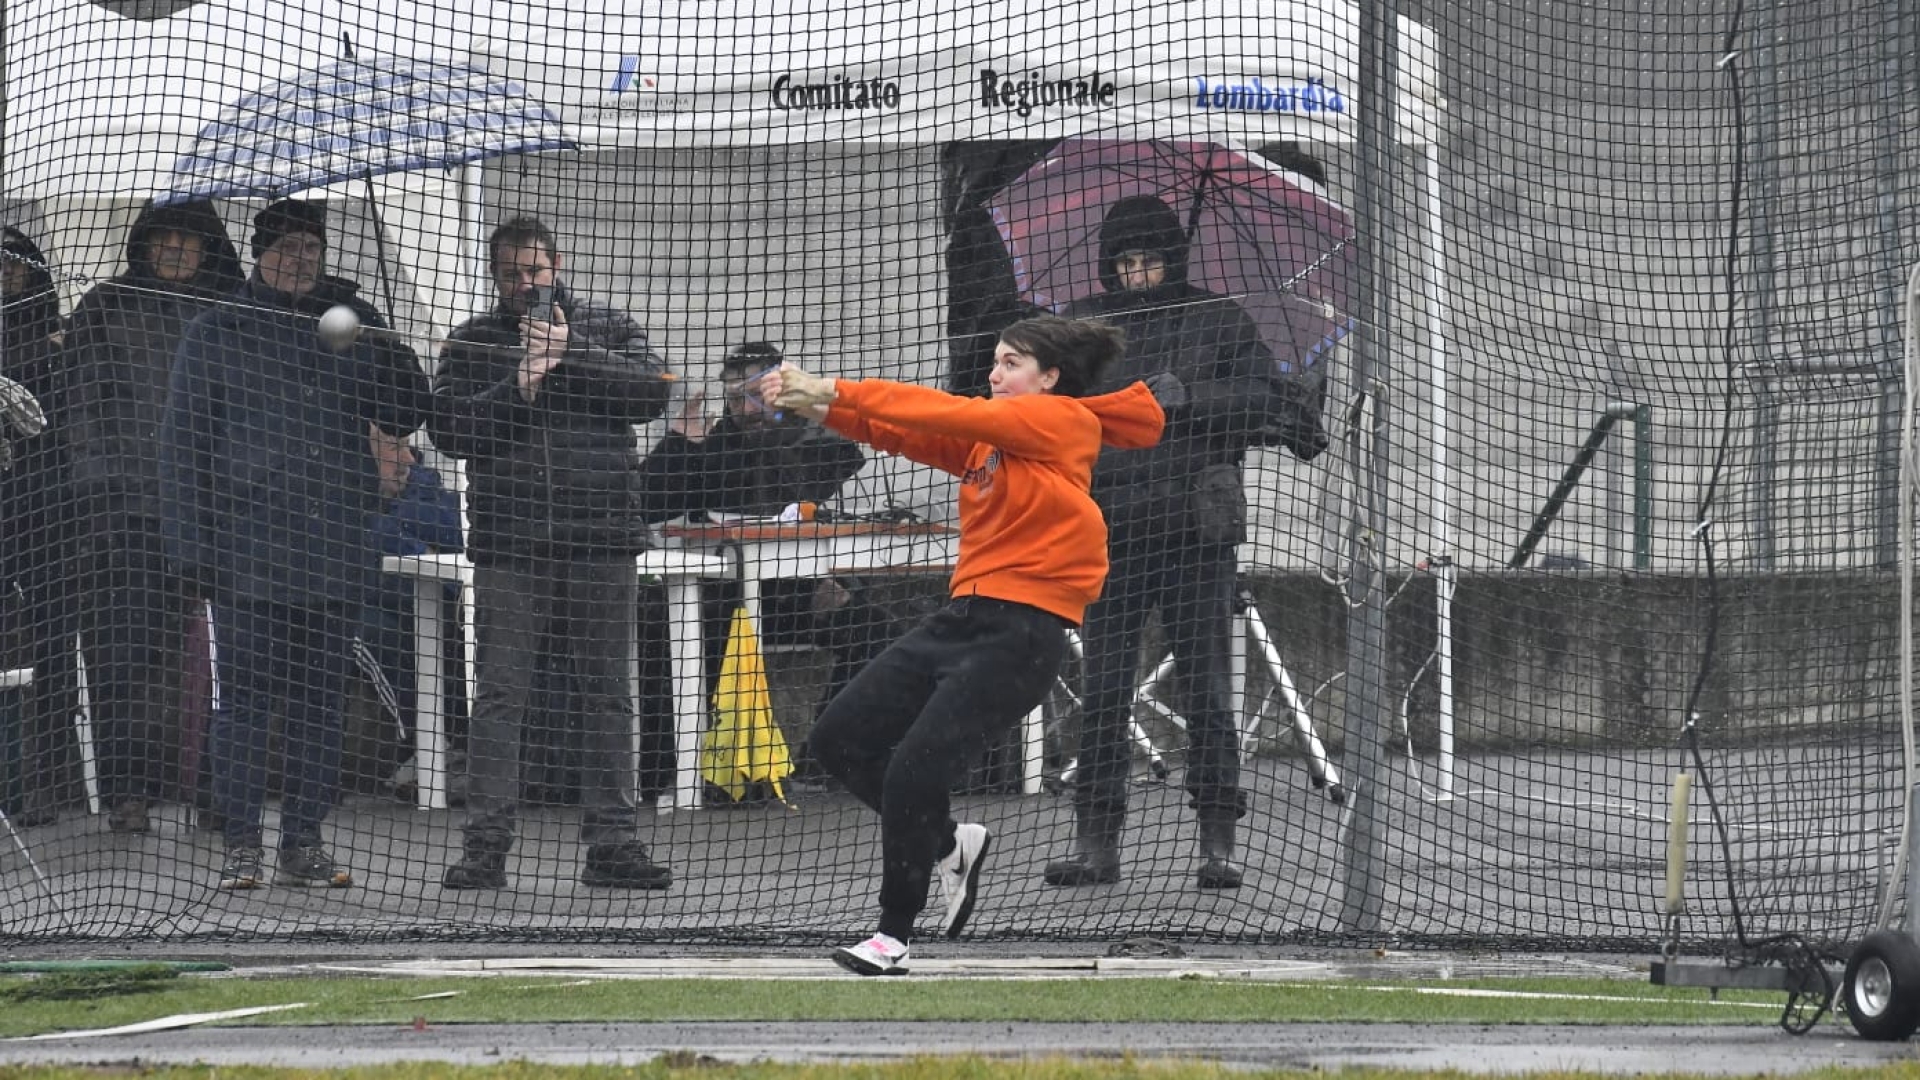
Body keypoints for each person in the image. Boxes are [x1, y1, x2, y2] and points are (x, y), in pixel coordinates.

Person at [758, 314, 1164, 976]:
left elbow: (938, 408)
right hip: (960, 619)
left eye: (1010, 364)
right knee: (837, 741)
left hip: (1021, 635)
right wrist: (826, 408)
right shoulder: (991, 444)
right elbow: (906, 429)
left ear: (1050, 378)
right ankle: (948, 842)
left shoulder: (1061, 421)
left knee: (912, 771)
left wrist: (829, 385)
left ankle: (892, 936)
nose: (994, 374)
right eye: (995, 361)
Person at [159, 198, 430, 889]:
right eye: (285, 248)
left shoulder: (348, 328)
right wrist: (191, 551)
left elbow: (405, 412)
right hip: (246, 553)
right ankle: (242, 843)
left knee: (319, 703)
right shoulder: (216, 330)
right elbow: (183, 446)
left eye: (310, 248)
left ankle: (303, 840)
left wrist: (384, 342)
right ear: (259, 253)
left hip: (335, 546)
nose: (299, 259)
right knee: (245, 703)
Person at [1044, 194, 1305, 891]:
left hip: (1196, 533)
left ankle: (1218, 840)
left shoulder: (1219, 320)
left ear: (1173, 259)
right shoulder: (1083, 331)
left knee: (1208, 693)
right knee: (1101, 693)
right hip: (1108, 532)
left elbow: (1266, 402)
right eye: (1125, 262)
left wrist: (1184, 396)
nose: (1137, 274)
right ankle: (1096, 841)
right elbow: (1048, 411)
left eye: (1150, 261)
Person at [427, 216, 676, 891]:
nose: (523, 284)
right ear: (494, 275)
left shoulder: (606, 325)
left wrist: (572, 354)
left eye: (533, 270)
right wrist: (520, 386)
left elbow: (654, 391)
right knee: (501, 696)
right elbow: (448, 429)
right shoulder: (472, 342)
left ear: (555, 263)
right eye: (510, 274)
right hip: (511, 545)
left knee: (607, 693)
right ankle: (485, 846)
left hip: (600, 537)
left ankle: (612, 844)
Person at [62, 200, 245, 833]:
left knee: (224, 662)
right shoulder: (106, 306)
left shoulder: (230, 313)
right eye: (163, 240)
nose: (175, 251)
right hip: (128, 515)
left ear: (205, 248)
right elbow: (79, 406)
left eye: (187, 241)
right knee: (125, 655)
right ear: (144, 244)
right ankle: (128, 791)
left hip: (217, 514)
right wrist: (102, 488)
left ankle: (219, 790)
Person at [638, 340, 885, 790]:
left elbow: (800, 484)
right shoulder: (711, 445)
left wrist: (783, 416)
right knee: (665, 630)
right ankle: (675, 773)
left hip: (797, 595)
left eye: (756, 394)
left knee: (877, 632)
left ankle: (824, 758)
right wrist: (679, 442)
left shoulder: (815, 433)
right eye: (735, 398)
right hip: (721, 597)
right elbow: (646, 501)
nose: (746, 408)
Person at [0, 226, 73, 828]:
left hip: (45, 511)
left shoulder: (53, 340)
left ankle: (46, 778)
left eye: (14, 265)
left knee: (47, 646)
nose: (6, 274)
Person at [355, 433, 463, 791]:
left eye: (405, 446)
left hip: (444, 602)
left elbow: (456, 533)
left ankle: (455, 744)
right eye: (392, 449)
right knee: (367, 631)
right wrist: (406, 536)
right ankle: (421, 741)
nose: (407, 459)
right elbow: (367, 550)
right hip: (370, 606)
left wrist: (403, 516)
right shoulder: (339, 493)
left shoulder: (424, 485)